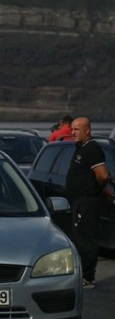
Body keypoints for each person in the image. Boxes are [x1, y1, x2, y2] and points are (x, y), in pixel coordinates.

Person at [65, 117, 113, 290]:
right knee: (78, 238)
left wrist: (97, 189)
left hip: (87, 200)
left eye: (77, 129)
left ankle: (88, 277)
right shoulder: (81, 148)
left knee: (86, 239)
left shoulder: (92, 148)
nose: (73, 133)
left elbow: (103, 175)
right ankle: (81, 274)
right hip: (78, 199)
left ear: (88, 130)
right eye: (72, 129)